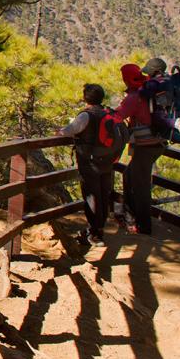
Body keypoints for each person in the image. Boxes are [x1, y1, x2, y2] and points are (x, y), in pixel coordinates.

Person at [60, 83, 119, 246]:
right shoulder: (108, 113)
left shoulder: (86, 115)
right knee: (103, 195)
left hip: (90, 161)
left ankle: (95, 234)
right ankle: (98, 229)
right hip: (107, 161)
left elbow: (68, 131)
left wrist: (60, 131)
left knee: (92, 196)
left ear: (85, 98)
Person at [117, 62, 166, 234]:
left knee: (141, 186)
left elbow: (117, 116)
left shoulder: (135, 95)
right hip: (157, 143)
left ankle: (143, 226)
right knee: (129, 175)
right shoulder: (148, 89)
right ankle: (129, 217)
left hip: (145, 145)